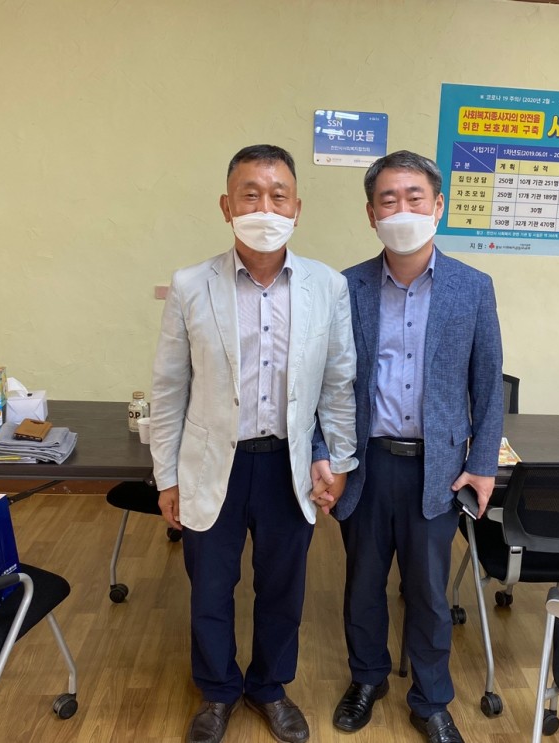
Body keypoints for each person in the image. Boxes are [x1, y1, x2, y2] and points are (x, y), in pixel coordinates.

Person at [151, 144, 357, 743]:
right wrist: (167, 476)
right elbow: (169, 389)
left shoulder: (327, 286)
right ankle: (217, 691)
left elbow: (338, 383)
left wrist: (338, 459)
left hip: (287, 465)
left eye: (278, 195)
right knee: (211, 590)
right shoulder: (191, 285)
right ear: (226, 206)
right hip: (211, 463)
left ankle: (269, 687)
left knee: (283, 590)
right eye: (250, 194)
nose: (265, 207)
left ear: (297, 208)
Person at [313, 150, 503, 743]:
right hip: (365, 464)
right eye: (388, 200)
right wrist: (324, 453)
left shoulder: (472, 288)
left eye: (414, 197)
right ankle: (367, 679)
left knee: (428, 593)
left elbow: (488, 384)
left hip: (437, 469)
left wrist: (482, 464)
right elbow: (322, 383)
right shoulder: (346, 287)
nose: (402, 209)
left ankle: (431, 699)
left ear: (438, 205)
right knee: (362, 585)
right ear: (371, 213)